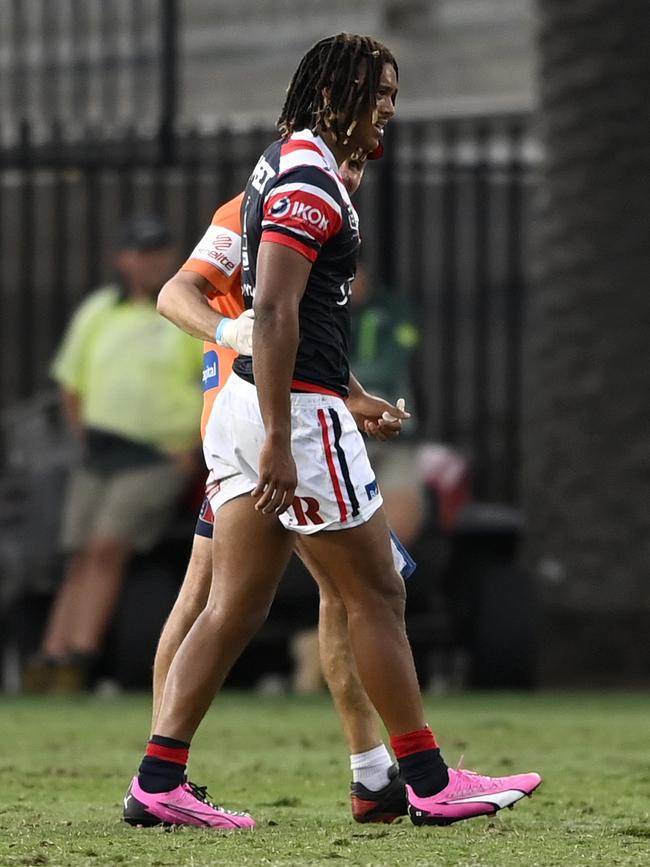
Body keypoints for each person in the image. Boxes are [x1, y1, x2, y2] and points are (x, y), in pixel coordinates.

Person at [123, 33, 541, 831]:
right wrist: (287, 432)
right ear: (336, 93)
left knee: (232, 607)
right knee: (375, 589)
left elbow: (305, 316)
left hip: (264, 410)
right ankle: (424, 777)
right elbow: (274, 310)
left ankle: (158, 779)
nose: (389, 105)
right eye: (381, 90)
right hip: (290, 419)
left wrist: (353, 393)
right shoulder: (313, 176)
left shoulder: (286, 161)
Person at [148, 156, 410, 824]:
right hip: (256, 426)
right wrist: (233, 335)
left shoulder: (328, 203)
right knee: (216, 595)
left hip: (298, 419)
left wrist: (351, 397)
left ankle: (370, 768)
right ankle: (163, 770)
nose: (357, 161)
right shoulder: (248, 210)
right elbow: (180, 295)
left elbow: (308, 327)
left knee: (337, 593)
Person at [23, 217, 203, 693]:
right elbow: (71, 381)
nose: (154, 261)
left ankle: (80, 655)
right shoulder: (100, 309)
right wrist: (87, 435)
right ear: (122, 259)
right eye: (143, 252)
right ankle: (52, 654)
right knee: (80, 553)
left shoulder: (182, 307)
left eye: (161, 251)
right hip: (101, 452)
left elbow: (210, 381)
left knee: (107, 547)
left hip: (157, 454)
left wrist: (191, 451)